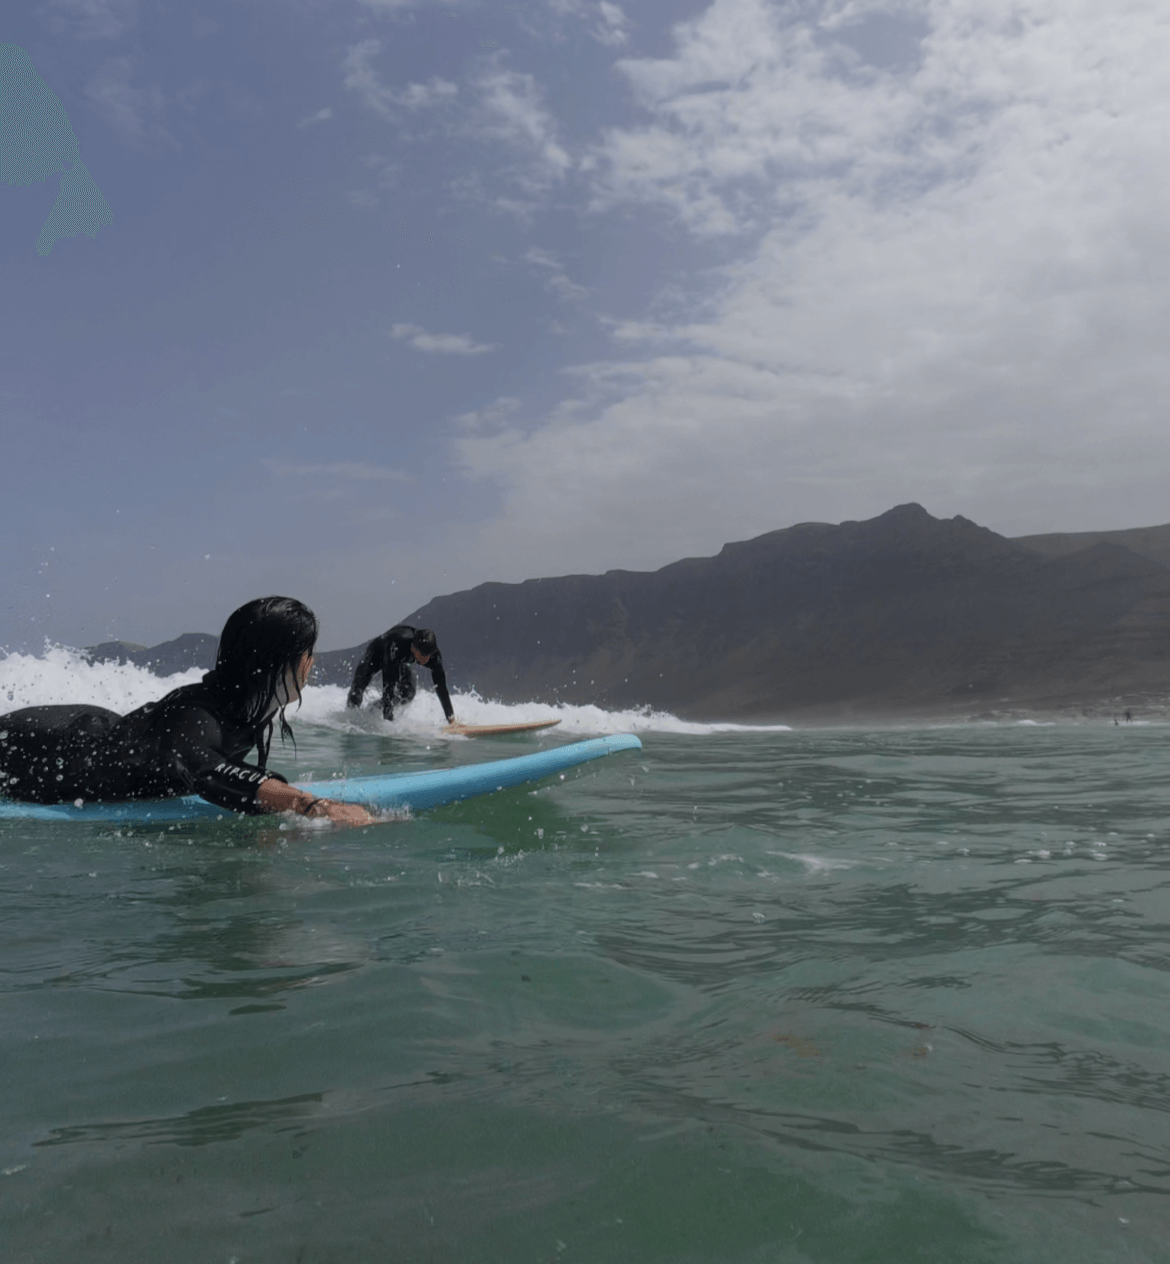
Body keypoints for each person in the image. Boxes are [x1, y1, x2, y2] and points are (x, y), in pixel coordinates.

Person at [0, 596, 375, 826]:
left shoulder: (244, 710)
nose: (313, 664)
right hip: (47, 745)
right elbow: (205, 768)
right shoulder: (196, 715)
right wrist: (310, 806)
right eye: (307, 653)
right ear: (275, 663)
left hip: (94, 730)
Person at [346, 624, 456, 724]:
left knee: (408, 693)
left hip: (401, 659)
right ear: (414, 647)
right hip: (378, 651)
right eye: (421, 655)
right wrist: (388, 719)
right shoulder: (399, 644)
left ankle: (372, 710)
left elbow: (441, 688)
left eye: (427, 656)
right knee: (358, 687)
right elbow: (388, 682)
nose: (425, 660)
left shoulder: (433, 656)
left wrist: (451, 721)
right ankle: (349, 718)